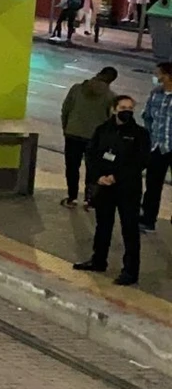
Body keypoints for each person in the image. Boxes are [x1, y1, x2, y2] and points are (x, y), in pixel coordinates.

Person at [77, 94, 147, 285]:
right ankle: (98, 260)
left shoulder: (140, 134)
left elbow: (139, 162)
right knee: (103, 226)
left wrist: (115, 177)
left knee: (129, 229)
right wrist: (99, 177)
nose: (127, 111)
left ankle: (131, 271)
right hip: (104, 187)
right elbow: (91, 155)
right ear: (114, 109)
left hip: (127, 188)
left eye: (130, 108)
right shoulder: (102, 130)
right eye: (123, 107)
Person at [60, 66, 119, 207]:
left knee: (72, 167)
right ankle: (89, 199)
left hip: (73, 133)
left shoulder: (76, 89)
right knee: (93, 169)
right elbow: (111, 121)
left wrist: (67, 128)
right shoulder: (111, 97)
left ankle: (72, 198)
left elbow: (65, 110)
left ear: (98, 73)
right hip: (95, 138)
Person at [138, 62, 172, 232]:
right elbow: (147, 116)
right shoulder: (156, 94)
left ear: (167, 76)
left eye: (158, 73)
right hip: (157, 147)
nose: (156, 76)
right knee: (153, 186)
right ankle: (148, 219)